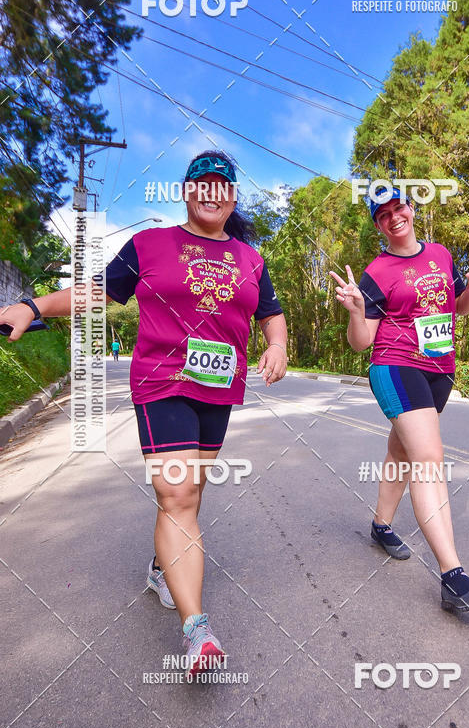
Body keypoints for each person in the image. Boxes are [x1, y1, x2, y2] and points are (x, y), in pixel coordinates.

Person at [1, 149, 288, 674]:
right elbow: (98, 293)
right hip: (162, 382)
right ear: (185, 191)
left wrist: (278, 345)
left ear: (232, 197)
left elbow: (271, 312)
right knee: (178, 491)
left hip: (220, 387)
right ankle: (197, 630)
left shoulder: (251, 258)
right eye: (200, 181)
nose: (211, 191)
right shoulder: (150, 244)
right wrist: (34, 305)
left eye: (222, 184)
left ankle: (162, 567)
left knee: (190, 492)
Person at [330, 187, 469, 614]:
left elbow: (459, 308)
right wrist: (354, 310)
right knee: (428, 458)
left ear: (412, 209)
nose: (393, 217)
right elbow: (361, 343)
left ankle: (381, 526)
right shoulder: (377, 272)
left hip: (440, 368)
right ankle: (453, 575)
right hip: (395, 365)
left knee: (400, 450)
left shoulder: (440, 253)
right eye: (382, 214)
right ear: (379, 225)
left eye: (398, 207)